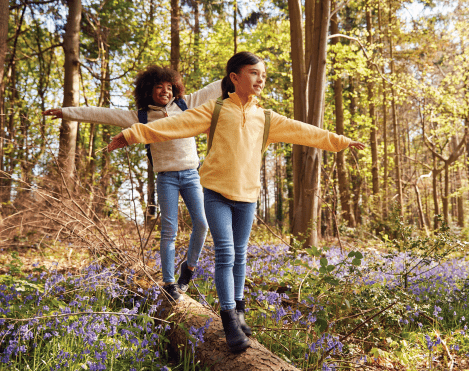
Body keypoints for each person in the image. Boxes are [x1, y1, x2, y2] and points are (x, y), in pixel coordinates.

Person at [107, 52, 366, 352]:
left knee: (240, 255)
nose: (260, 79)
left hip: (247, 197)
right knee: (226, 253)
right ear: (234, 77)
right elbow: (173, 125)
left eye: (263, 76)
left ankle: (240, 312)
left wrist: (340, 141)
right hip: (216, 193)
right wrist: (132, 134)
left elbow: (303, 131)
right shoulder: (214, 110)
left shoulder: (266, 118)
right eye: (254, 73)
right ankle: (228, 318)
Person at [43, 66, 221, 302]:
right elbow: (101, 114)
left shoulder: (186, 105)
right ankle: (169, 283)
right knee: (169, 230)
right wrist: (66, 112)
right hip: (166, 178)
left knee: (202, 223)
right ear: (149, 90)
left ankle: (188, 269)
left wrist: (241, 72)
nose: (165, 92)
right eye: (159, 87)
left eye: (169, 87)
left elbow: (216, 87)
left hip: (191, 175)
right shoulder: (141, 117)